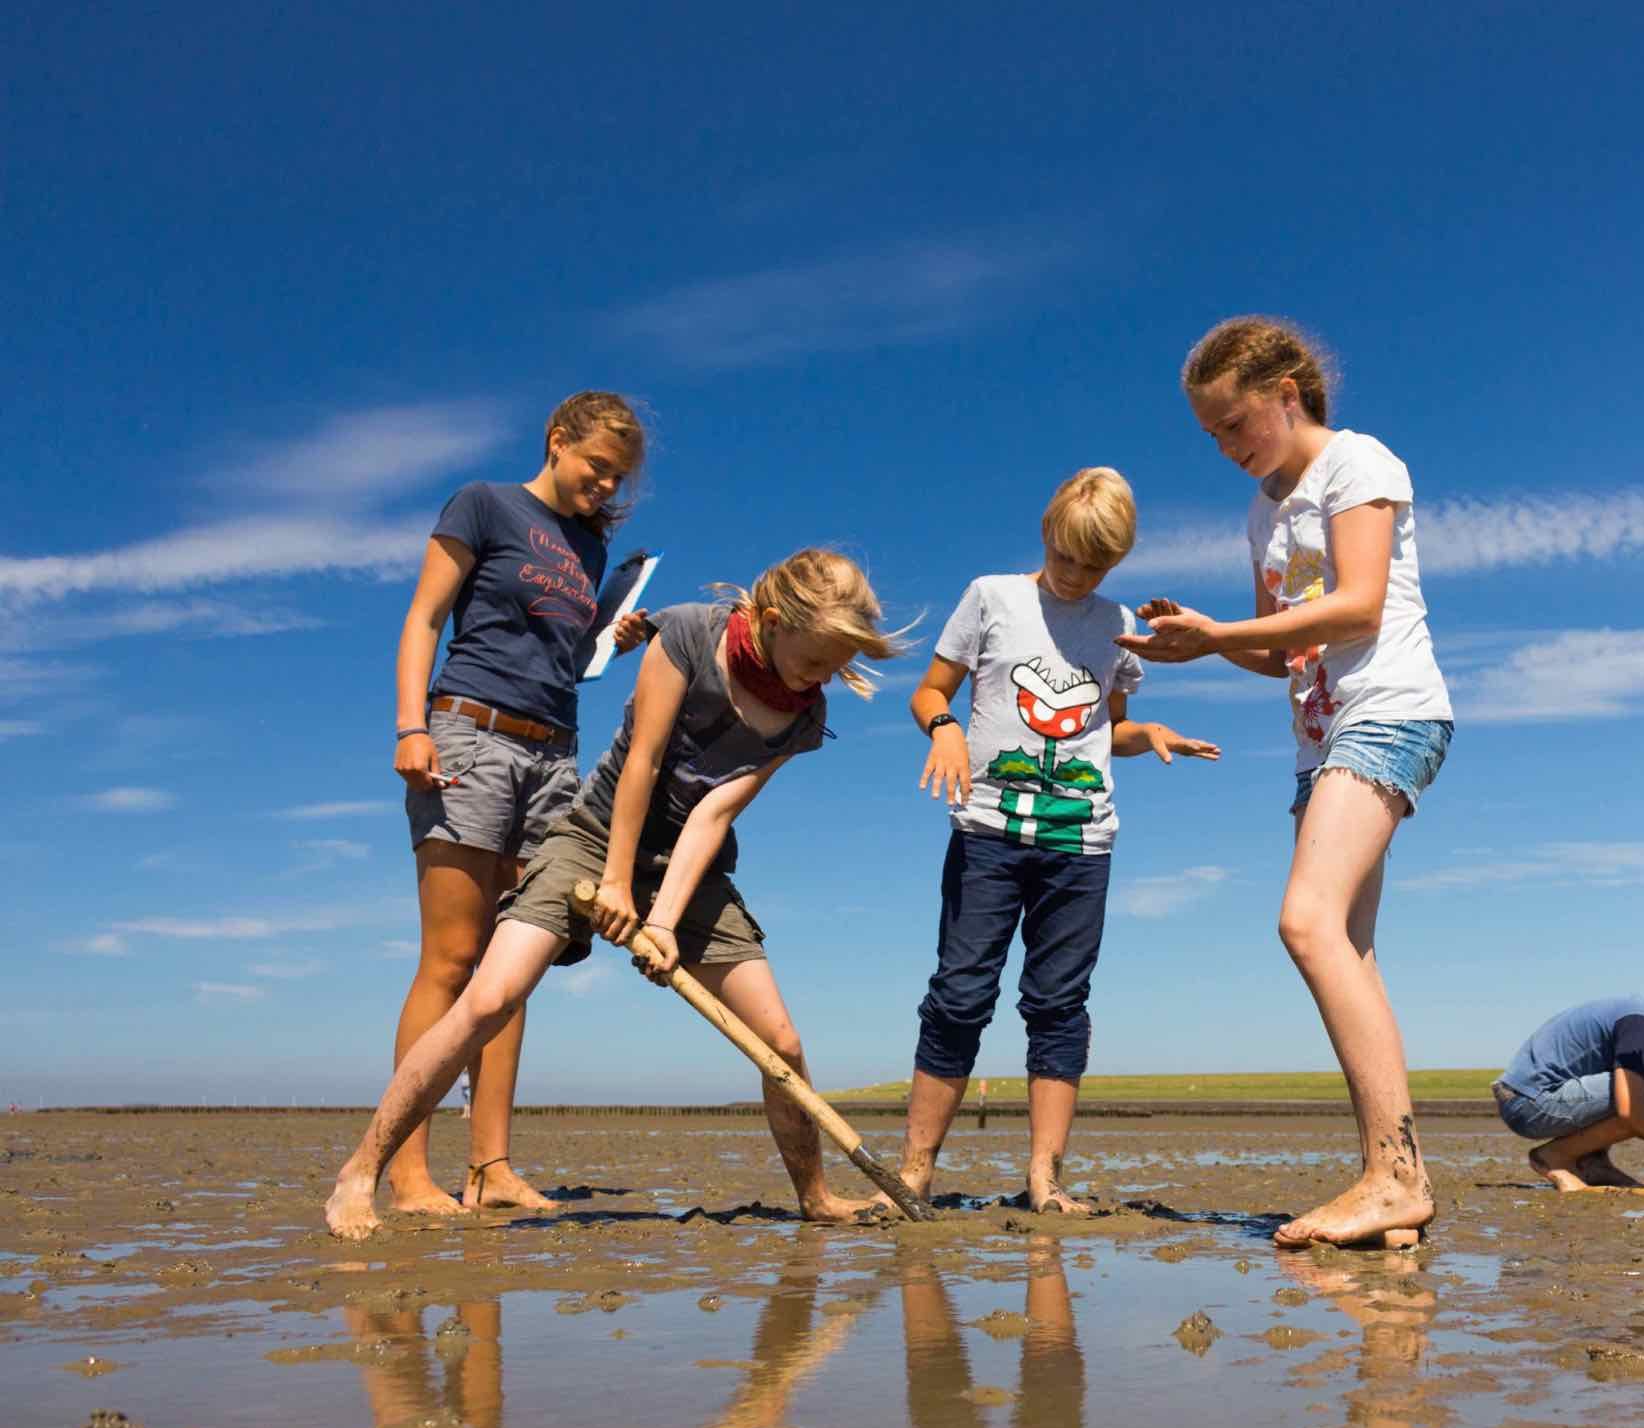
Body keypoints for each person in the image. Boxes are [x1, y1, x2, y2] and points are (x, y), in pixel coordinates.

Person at [327, 550, 905, 1239]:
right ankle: (359, 1174)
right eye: (816, 660)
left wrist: (660, 921)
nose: (822, 679)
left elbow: (713, 814)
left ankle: (816, 1195)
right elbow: (643, 761)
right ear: (774, 621)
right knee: (490, 996)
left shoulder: (805, 717)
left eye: (836, 666)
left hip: (691, 868)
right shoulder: (688, 633)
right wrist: (615, 883)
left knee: (779, 1036)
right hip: (597, 836)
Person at [1122, 317, 1454, 1249]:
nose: (1227, 448)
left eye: (1236, 424)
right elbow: (1287, 655)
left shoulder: (1358, 464)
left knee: (1304, 921)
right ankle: (1397, 1180)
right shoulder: (1264, 512)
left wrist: (1222, 632)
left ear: (1287, 395)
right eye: (1212, 435)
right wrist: (1195, 647)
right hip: (1322, 739)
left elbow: (1358, 606)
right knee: (1347, 947)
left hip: (1390, 711)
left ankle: (1393, 1177)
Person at [901, 468, 1217, 1212]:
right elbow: (928, 691)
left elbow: (1108, 726)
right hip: (988, 834)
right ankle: (914, 1173)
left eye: (1097, 566)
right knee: (959, 994)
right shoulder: (991, 598)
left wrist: (1151, 734)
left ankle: (1045, 1179)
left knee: (1058, 1002)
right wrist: (943, 729)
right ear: (1048, 535)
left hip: (1082, 846)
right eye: (1069, 558)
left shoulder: (1116, 625)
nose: (1079, 576)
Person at [387, 391, 648, 1217]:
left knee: (513, 969)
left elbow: (563, 658)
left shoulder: (588, 549)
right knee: (453, 960)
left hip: (554, 755)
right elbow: (425, 617)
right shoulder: (484, 503)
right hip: (468, 735)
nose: (604, 487)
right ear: (557, 440)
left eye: (618, 479)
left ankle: (492, 1169)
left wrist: (612, 638)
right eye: (595, 468)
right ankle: (404, 1168)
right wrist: (410, 725)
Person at [1492, 991, 1644, 1192]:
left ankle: (1591, 1161)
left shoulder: (1639, 1013)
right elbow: (1632, 1111)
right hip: (1532, 1103)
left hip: (1524, 1098)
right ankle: (1554, 1157)